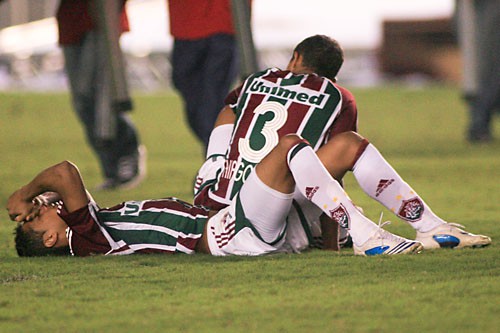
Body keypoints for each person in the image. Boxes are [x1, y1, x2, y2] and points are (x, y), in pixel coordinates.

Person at [193, 35, 491, 251]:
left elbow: (233, 112)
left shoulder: (257, 80)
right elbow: (332, 171)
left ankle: (211, 172)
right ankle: (428, 225)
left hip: (223, 193)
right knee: (348, 145)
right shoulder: (337, 95)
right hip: (270, 201)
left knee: (229, 112)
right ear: (332, 74)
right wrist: (332, 245)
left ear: (295, 57)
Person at [7, 131, 491, 257]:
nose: (40, 211)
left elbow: (67, 186)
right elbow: (66, 173)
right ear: (51, 239)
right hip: (227, 235)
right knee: (288, 150)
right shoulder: (85, 240)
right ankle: (364, 235)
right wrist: (24, 194)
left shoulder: (90, 221)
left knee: (346, 148)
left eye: (34, 212)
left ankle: (429, 225)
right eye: (36, 220)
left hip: (234, 220)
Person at [56, 0, 146, 190]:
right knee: (82, 101)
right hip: (70, 20)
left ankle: (127, 151)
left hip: (102, 18)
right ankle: (112, 166)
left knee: (97, 94)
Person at [166, 0, 246, 151]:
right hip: (185, 22)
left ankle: (218, 164)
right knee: (190, 92)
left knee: (211, 102)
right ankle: (223, 158)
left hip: (224, 23)